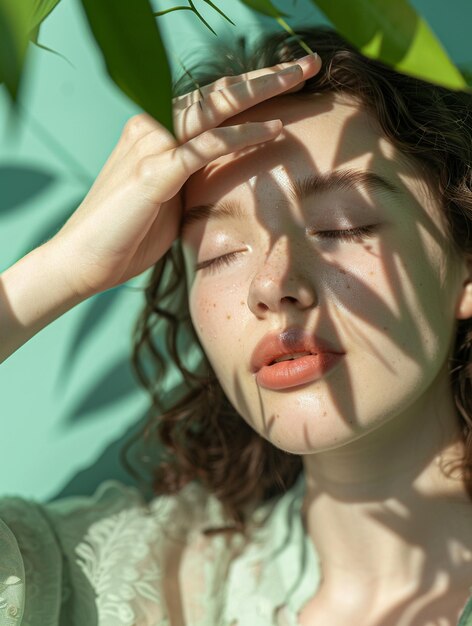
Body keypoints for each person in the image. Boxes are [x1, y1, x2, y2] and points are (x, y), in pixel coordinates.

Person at [1, 24, 472, 626]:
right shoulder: (132, 588)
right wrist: (61, 268)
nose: (271, 285)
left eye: (340, 226)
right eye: (219, 252)